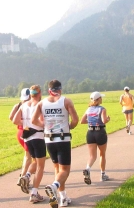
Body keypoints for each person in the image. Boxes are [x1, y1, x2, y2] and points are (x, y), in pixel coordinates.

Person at [31, 79, 79, 208]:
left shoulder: (42, 103)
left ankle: (62, 197)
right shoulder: (66, 101)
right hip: (63, 139)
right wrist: (70, 126)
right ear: (60, 89)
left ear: (49, 91)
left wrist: (45, 125)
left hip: (49, 139)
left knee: (57, 168)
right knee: (65, 170)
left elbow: (34, 120)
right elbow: (75, 120)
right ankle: (54, 186)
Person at [12, 85, 46, 203]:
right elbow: (40, 121)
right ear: (39, 93)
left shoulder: (24, 105)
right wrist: (44, 125)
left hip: (27, 136)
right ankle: (34, 193)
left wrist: (26, 122)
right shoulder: (40, 104)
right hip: (38, 136)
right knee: (41, 166)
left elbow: (15, 120)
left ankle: (26, 176)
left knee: (34, 161)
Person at [80, 91, 111, 185]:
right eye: (101, 98)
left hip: (90, 133)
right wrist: (108, 119)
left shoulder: (88, 109)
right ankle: (103, 174)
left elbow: (82, 121)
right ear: (99, 99)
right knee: (102, 154)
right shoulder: (102, 109)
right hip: (100, 132)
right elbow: (103, 120)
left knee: (92, 156)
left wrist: (91, 122)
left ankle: (87, 168)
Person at [9, 88, 36, 188]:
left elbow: (11, 117)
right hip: (27, 132)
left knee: (28, 156)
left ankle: (25, 174)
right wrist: (26, 123)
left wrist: (21, 122)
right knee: (28, 157)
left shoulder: (18, 105)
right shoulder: (30, 105)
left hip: (20, 131)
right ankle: (22, 176)